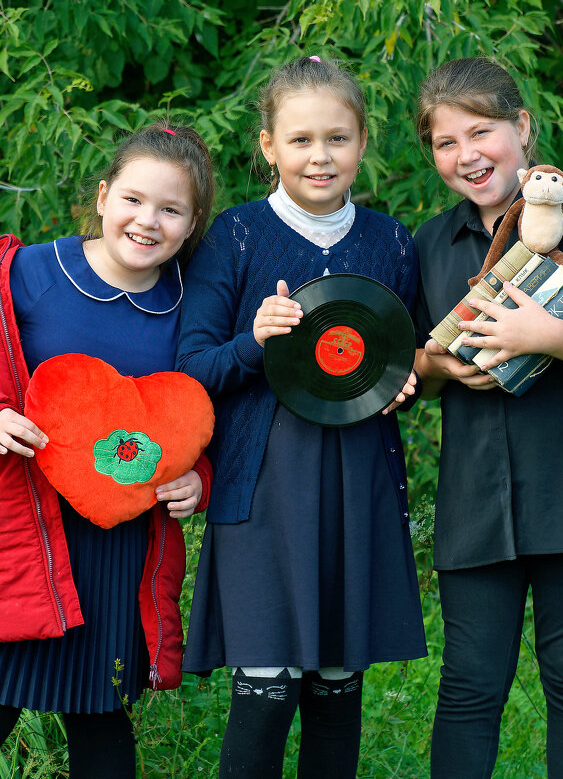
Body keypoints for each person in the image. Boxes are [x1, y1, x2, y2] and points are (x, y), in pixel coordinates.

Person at [0, 123, 216, 779]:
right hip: (18, 540)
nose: (147, 221)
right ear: (103, 196)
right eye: (134, 199)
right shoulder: (23, 277)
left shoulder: (195, 309)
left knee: (101, 721)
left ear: (191, 225)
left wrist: (200, 479)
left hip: (120, 552)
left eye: (170, 209)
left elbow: (207, 420)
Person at [176, 55, 428, 779]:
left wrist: (402, 381)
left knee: (335, 687)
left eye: (337, 139)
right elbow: (190, 368)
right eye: (300, 140)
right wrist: (253, 341)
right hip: (261, 490)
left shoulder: (390, 240)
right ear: (267, 146)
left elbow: (399, 355)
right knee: (266, 687)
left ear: (362, 141)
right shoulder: (236, 236)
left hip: (358, 486)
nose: (320, 157)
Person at [411, 57, 563, 778]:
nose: (466, 155)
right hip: (474, 504)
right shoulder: (430, 244)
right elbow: (413, 367)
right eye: (444, 142)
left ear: (521, 128)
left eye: (480, 131)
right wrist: (436, 366)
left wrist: (545, 336)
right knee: (467, 686)